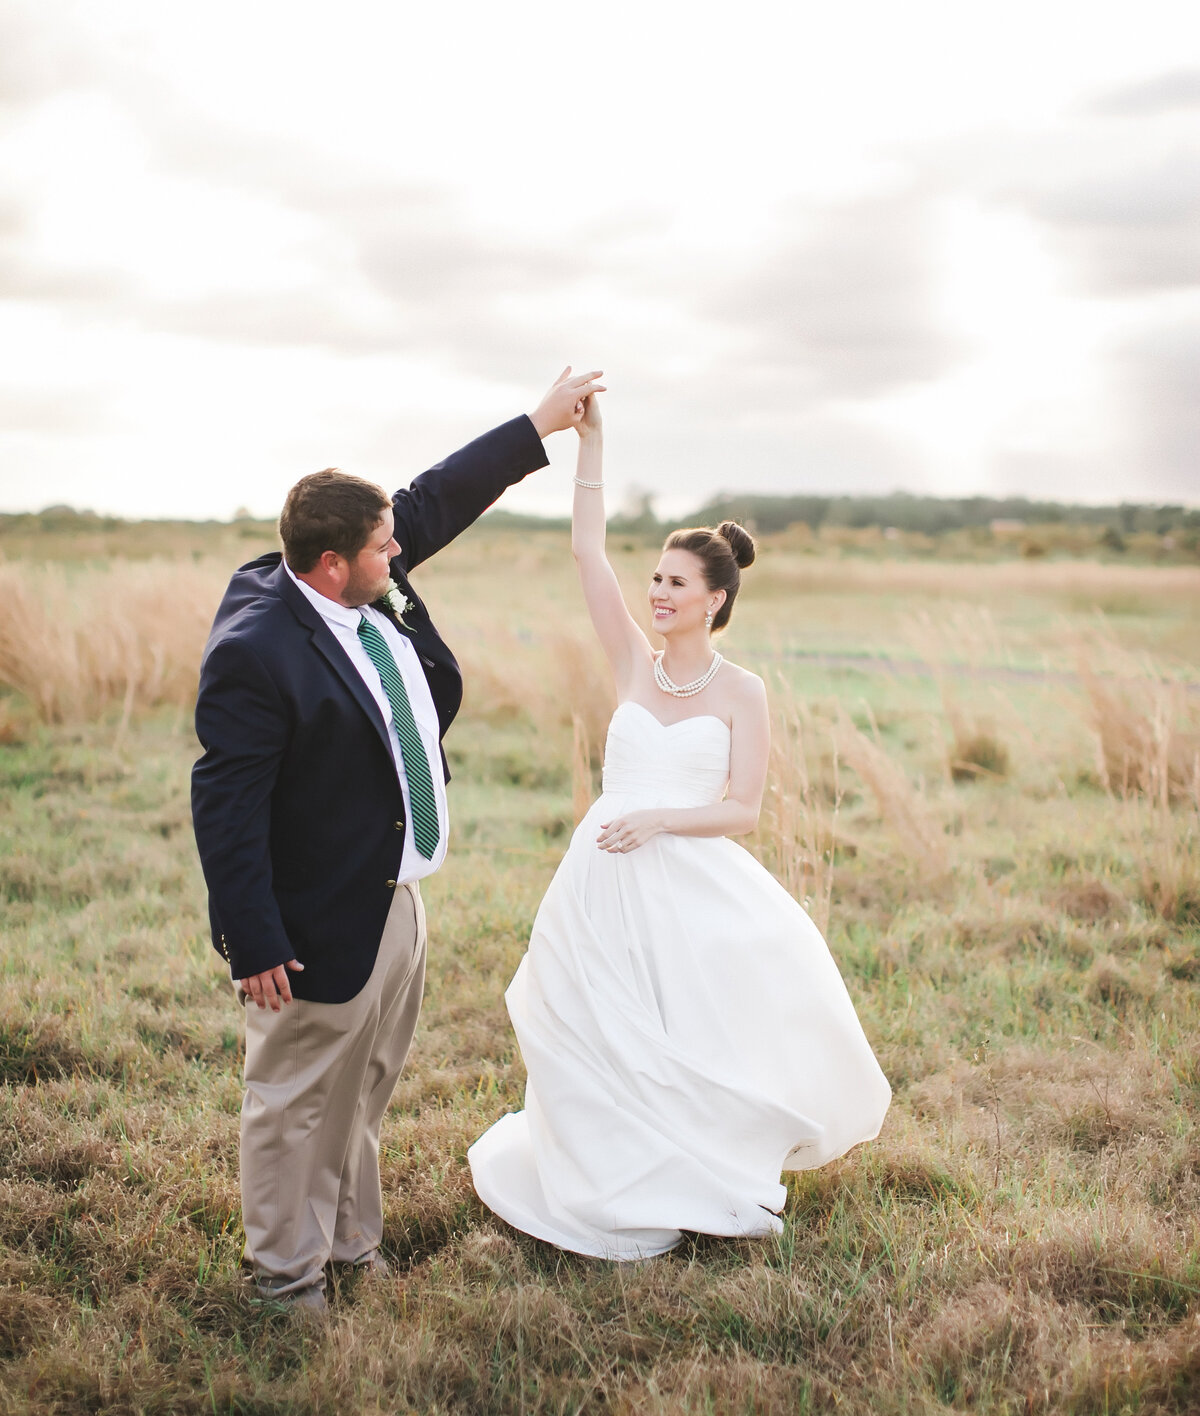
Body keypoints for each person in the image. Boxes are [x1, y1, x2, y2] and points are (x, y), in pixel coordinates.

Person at [191, 367, 604, 1312]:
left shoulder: (357, 573)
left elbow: (433, 499)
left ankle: (349, 1245)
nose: (399, 551)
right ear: (331, 564)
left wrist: (538, 426)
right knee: (294, 1101)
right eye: (384, 548)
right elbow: (224, 803)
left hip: (395, 891)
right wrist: (252, 938)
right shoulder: (258, 651)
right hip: (314, 911)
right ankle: (284, 1282)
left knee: (364, 1088)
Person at [468, 392, 891, 1261]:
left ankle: (687, 1172)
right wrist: (593, 443)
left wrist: (659, 819)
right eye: (654, 579)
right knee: (590, 1028)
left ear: (714, 600)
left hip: (684, 870)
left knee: (682, 1034)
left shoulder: (744, 693)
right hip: (599, 877)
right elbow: (587, 547)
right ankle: (598, 1177)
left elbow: (743, 808)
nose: (656, 594)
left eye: (673, 584)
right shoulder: (631, 659)